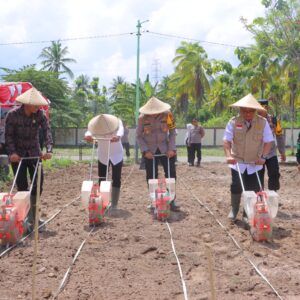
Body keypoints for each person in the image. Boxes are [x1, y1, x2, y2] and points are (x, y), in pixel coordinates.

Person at [5, 87, 53, 232]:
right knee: (22, 187)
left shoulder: (40, 115)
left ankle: (33, 217)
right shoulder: (12, 115)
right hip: (17, 156)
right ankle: (25, 218)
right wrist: (12, 152)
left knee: (38, 184)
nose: (38, 107)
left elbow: (47, 132)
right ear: (27, 104)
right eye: (36, 104)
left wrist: (49, 149)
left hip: (34, 153)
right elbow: (8, 136)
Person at [223, 94, 273, 223]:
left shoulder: (263, 123)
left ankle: (247, 213)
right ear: (240, 110)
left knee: (253, 189)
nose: (247, 114)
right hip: (237, 161)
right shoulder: (233, 122)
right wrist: (228, 156)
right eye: (244, 111)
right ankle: (234, 209)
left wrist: (263, 157)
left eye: (251, 111)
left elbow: (268, 141)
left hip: (255, 163)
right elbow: (227, 141)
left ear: (255, 111)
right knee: (236, 185)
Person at [136, 96, 179, 211]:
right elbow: (139, 136)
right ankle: (153, 200)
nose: (154, 114)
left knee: (171, 175)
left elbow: (173, 132)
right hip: (150, 150)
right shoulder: (142, 118)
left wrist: (171, 148)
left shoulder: (168, 115)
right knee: (151, 176)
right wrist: (145, 151)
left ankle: (172, 200)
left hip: (165, 148)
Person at [85, 114, 124, 211]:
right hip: (103, 154)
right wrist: (88, 136)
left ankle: (114, 204)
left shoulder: (117, 122)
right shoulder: (96, 125)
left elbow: (121, 130)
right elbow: (89, 131)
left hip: (116, 154)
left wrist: (118, 136)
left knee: (116, 177)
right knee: (102, 177)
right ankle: (102, 203)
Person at [257, 99, 286, 191]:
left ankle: (273, 195)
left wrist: (282, 152)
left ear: (267, 108)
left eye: (264, 107)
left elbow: (279, 136)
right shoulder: (253, 120)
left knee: (274, 173)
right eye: (260, 107)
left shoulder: (274, 120)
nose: (262, 109)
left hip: (271, 153)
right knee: (258, 175)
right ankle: (259, 196)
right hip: (257, 154)